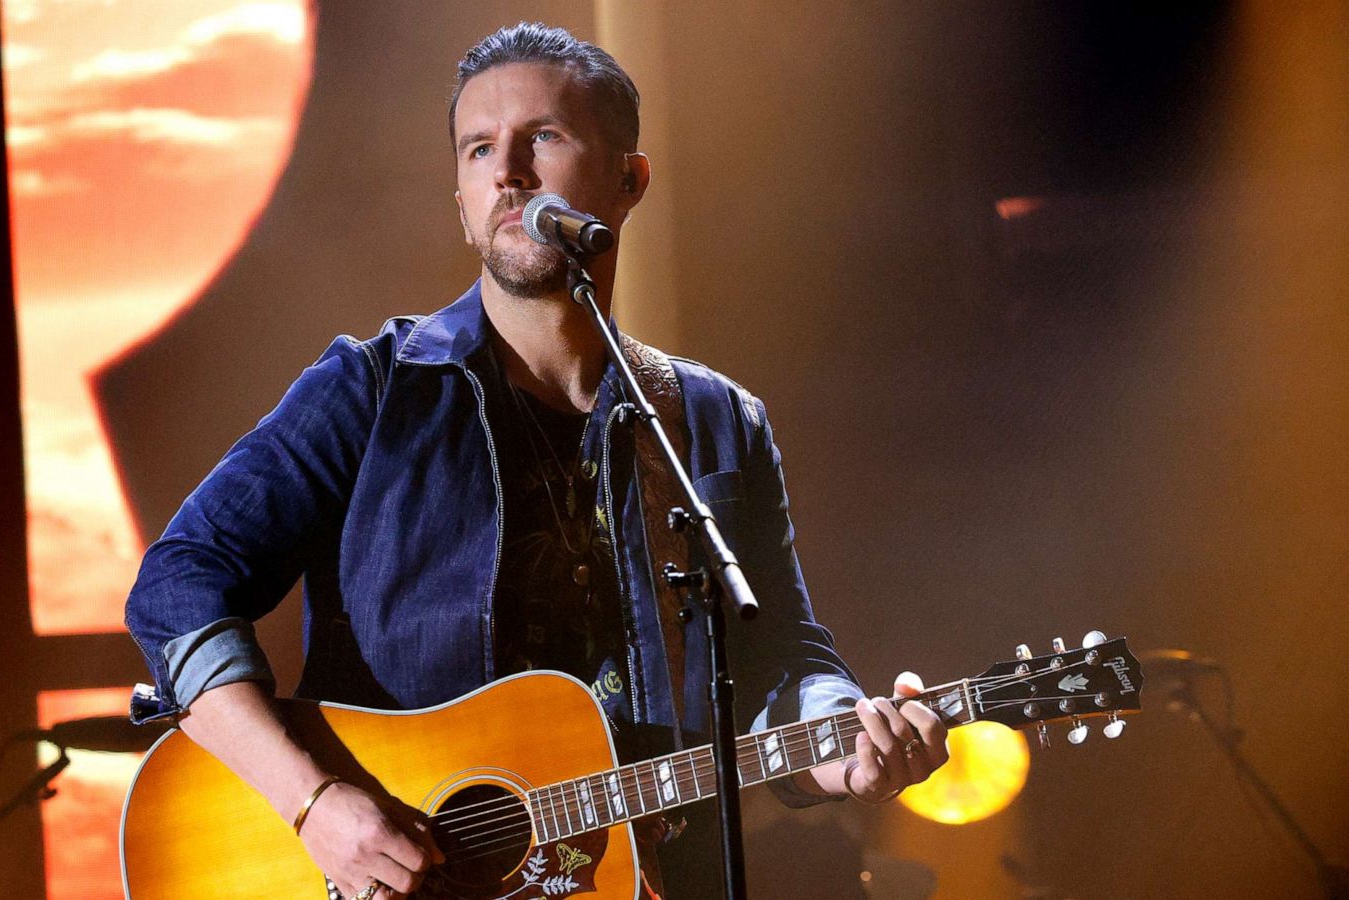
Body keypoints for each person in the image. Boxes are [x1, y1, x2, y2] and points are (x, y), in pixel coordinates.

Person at [124, 22, 949, 900]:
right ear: (461, 199)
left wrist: (846, 742)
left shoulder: (713, 422)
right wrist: (315, 803)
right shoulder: (371, 390)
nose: (508, 172)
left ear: (628, 180)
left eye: (542, 138)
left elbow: (780, 658)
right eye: (480, 149)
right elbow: (178, 585)